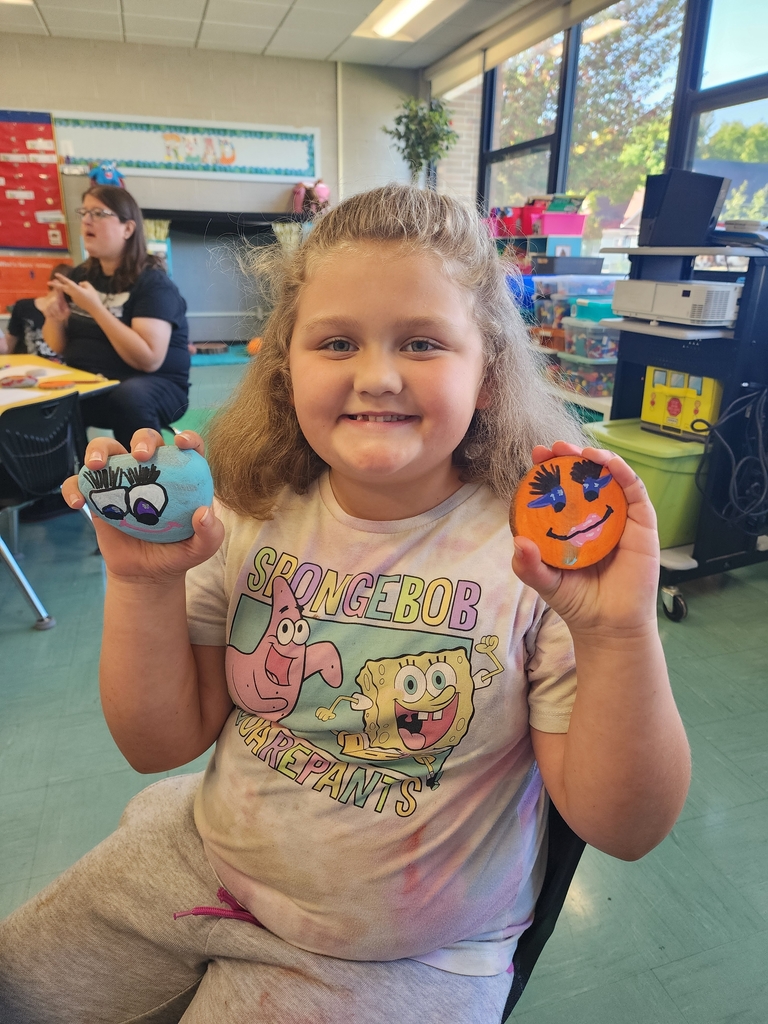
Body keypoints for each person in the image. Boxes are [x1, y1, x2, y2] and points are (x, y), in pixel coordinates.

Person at [0, 185, 691, 1024]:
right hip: (207, 859)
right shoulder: (250, 509)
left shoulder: (535, 556)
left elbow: (624, 827)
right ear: (287, 362)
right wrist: (146, 584)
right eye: (336, 342)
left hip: (410, 947)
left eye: (424, 341)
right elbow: (158, 745)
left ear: (490, 366)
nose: (378, 376)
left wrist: (619, 632)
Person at [40, 184, 190, 448]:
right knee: (46, 400)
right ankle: (62, 481)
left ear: (128, 228)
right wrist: (53, 317)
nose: (86, 219)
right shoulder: (80, 276)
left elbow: (149, 359)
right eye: (84, 211)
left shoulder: (153, 284)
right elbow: (58, 345)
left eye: (98, 213)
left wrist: (97, 308)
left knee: (130, 396)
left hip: (154, 386)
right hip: (93, 384)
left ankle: (145, 478)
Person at [3, 263, 72, 358]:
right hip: (29, 366)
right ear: (56, 282)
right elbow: (10, 342)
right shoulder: (24, 307)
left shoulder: (72, 312)